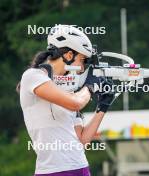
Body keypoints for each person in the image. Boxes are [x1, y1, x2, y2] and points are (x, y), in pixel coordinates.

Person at [18, 25, 115, 176]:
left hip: (81, 167)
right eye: (82, 60)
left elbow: (82, 140)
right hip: (53, 171)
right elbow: (75, 103)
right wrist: (90, 86)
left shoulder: (68, 89)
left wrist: (103, 106)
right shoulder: (32, 76)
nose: (83, 68)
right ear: (69, 55)